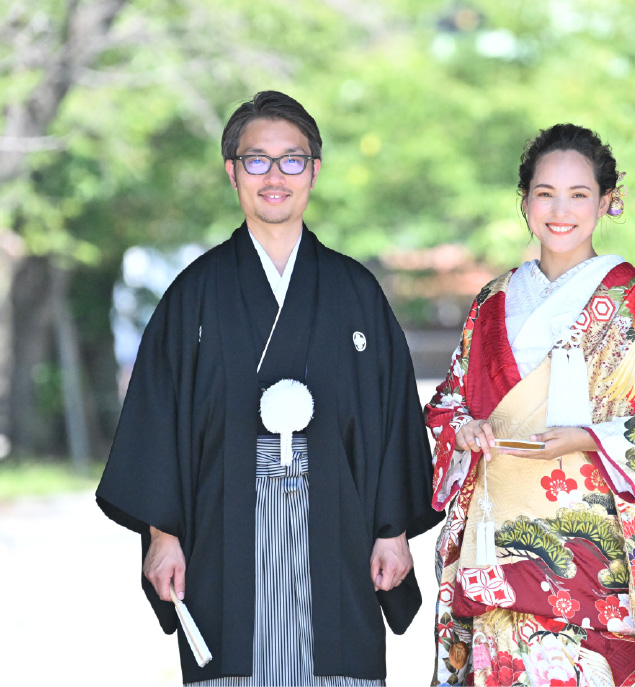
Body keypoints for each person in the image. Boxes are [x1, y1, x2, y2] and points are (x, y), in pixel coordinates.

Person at [96, 91, 442, 686]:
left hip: (339, 526)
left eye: (293, 160)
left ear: (314, 170)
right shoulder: (194, 293)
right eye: (257, 160)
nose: (275, 176)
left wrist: (392, 531)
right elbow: (157, 419)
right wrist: (162, 534)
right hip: (222, 527)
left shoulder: (354, 290)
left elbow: (392, 418)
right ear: (232, 171)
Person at [424, 124, 635, 686]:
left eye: (579, 194)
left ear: (606, 201)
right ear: (524, 201)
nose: (560, 210)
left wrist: (589, 437)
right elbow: (448, 401)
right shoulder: (493, 299)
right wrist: (466, 429)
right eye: (544, 193)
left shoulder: (632, 296)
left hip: (592, 545)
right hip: (498, 537)